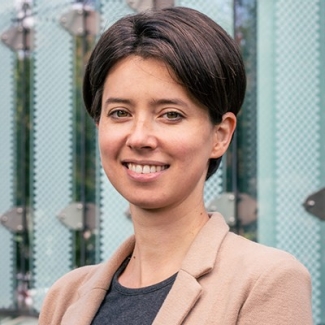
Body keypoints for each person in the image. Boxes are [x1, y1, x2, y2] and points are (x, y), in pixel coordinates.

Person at [39, 6, 312, 325]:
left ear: (220, 136)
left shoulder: (265, 280)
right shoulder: (66, 296)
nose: (139, 137)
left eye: (171, 114)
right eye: (120, 113)